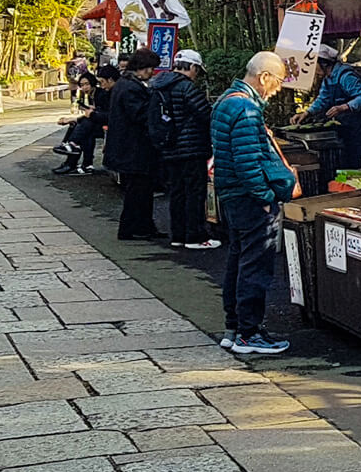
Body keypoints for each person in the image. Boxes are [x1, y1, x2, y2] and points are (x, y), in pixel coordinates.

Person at [211, 51, 297, 355]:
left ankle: (234, 329)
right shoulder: (246, 108)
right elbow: (247, 162)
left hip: (231, 195)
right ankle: (249, 333)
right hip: (248, 198)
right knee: (255, 266)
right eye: (275, 82)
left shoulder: (226, 101)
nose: (275, 90)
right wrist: (263, 198)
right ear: (263, 77)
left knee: (238, 260)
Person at [148, 49, 220, 251]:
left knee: (177, 194)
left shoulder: (159, 86)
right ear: (193, 67)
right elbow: (206, 115)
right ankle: (195, 236)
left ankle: (178, 235)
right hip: (192, 149)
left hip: (169, 149)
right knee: (195, 194)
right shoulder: (186, 88)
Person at [103, 47, 164, 242]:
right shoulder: (131, 87)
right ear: (142, 67)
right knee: (137, 191)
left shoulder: (126, 84)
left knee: (142, 190)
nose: (151, 73)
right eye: (150, 69)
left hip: (130, 147)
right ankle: (130, 228)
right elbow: (139, 115)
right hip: (133, 148)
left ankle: (144, 226)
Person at [291, 44, 361, 169]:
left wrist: (343, 107)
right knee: (350, 163)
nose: (313, 68)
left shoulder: (345, 76)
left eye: (314, 64)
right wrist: (307, 113)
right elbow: (323, 99)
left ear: (324, 63)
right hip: (347, 130)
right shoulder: (328, 80)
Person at [52, 69, 114, 174]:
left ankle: (71, 147)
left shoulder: (102, 94)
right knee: (84, 129)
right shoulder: (90, 96)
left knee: (84, 124)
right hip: (98, 124)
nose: (84, 87)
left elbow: (101, 115)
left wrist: (74, 118)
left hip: (107, 125)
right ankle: (85, 164)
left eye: (87, 84)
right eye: (82, 85)